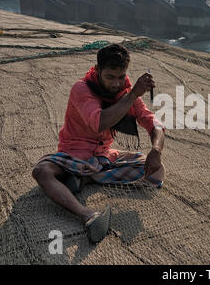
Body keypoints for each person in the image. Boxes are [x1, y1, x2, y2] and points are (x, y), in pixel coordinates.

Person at [32, 44, 165, 243]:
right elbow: (99, 122)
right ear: (98, 69)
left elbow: (153, 123)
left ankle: (84, 179)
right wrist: (132, 95)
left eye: (121, 77)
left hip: (103, 155)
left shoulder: (125, 92)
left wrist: (156, 150)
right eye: (110, 77)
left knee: (155, 171)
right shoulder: (82, 88)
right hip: (73, 152)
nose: (116, 84)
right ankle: (88, 215)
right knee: (42, 171)